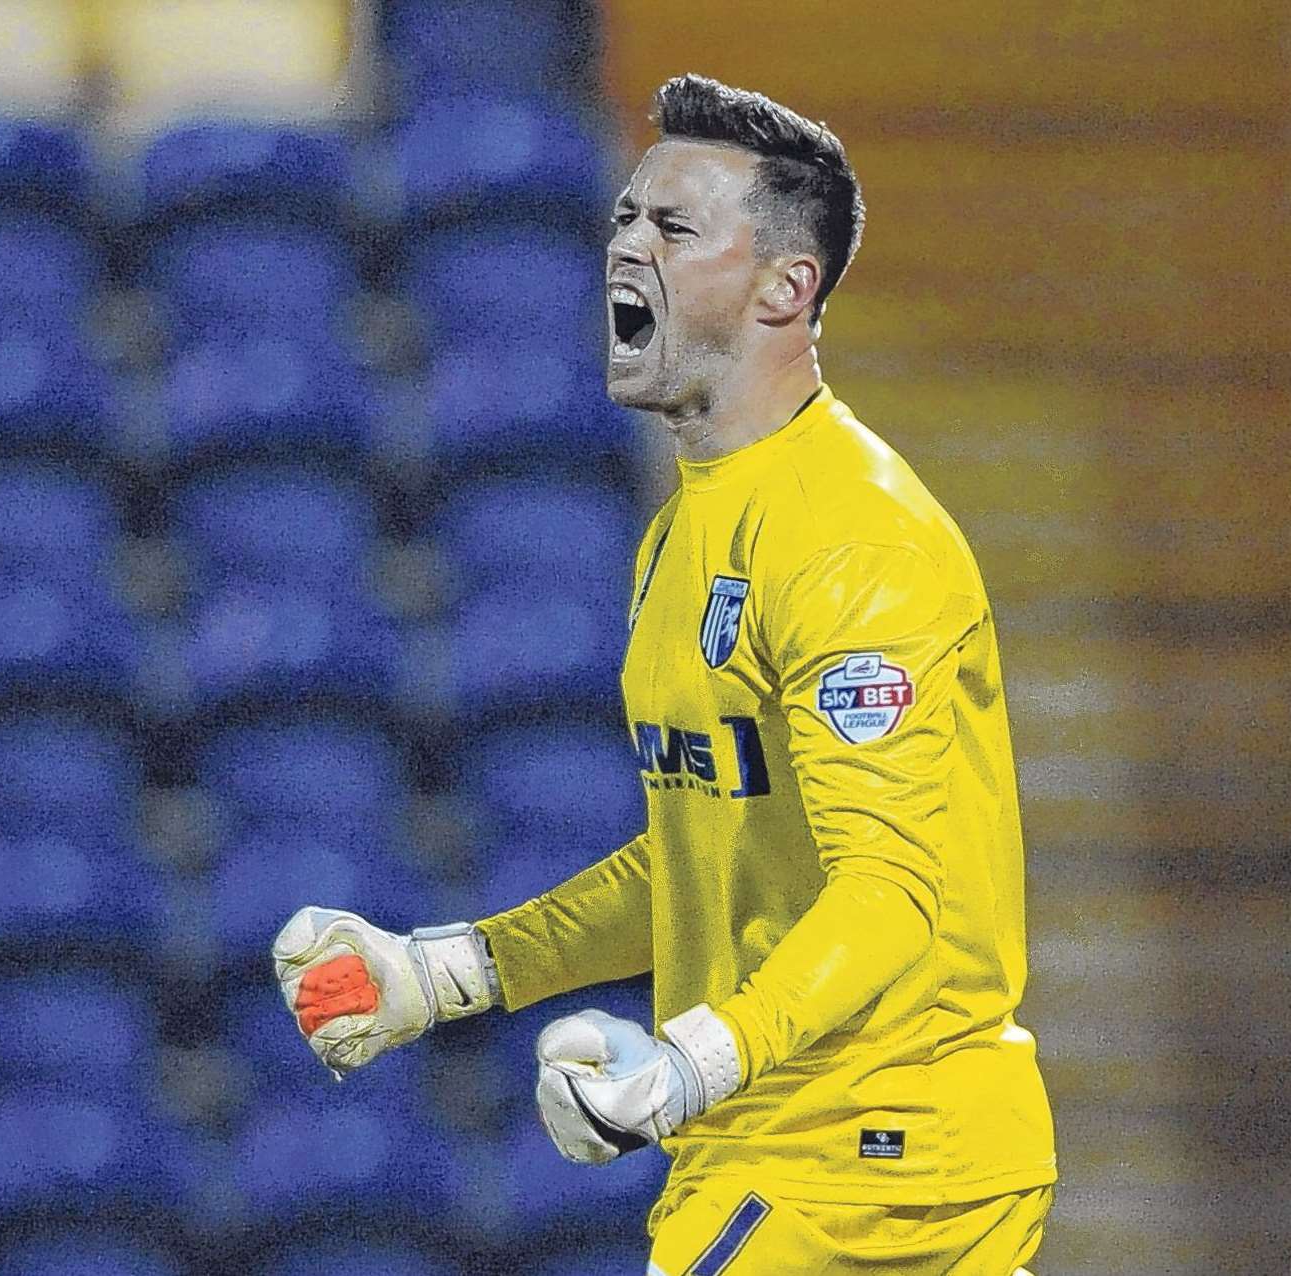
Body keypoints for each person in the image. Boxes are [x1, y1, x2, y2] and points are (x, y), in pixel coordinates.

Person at [272, 72, 1056, 1275]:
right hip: (788, 1155)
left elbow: (893, 889)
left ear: (785, 286)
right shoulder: (683, 533)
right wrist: (447, 972)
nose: (624, 246)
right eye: (623, 218)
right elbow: (705, 855)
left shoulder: (853, 541)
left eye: (674, 227)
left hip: (868, 1169)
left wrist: (695, 1058)